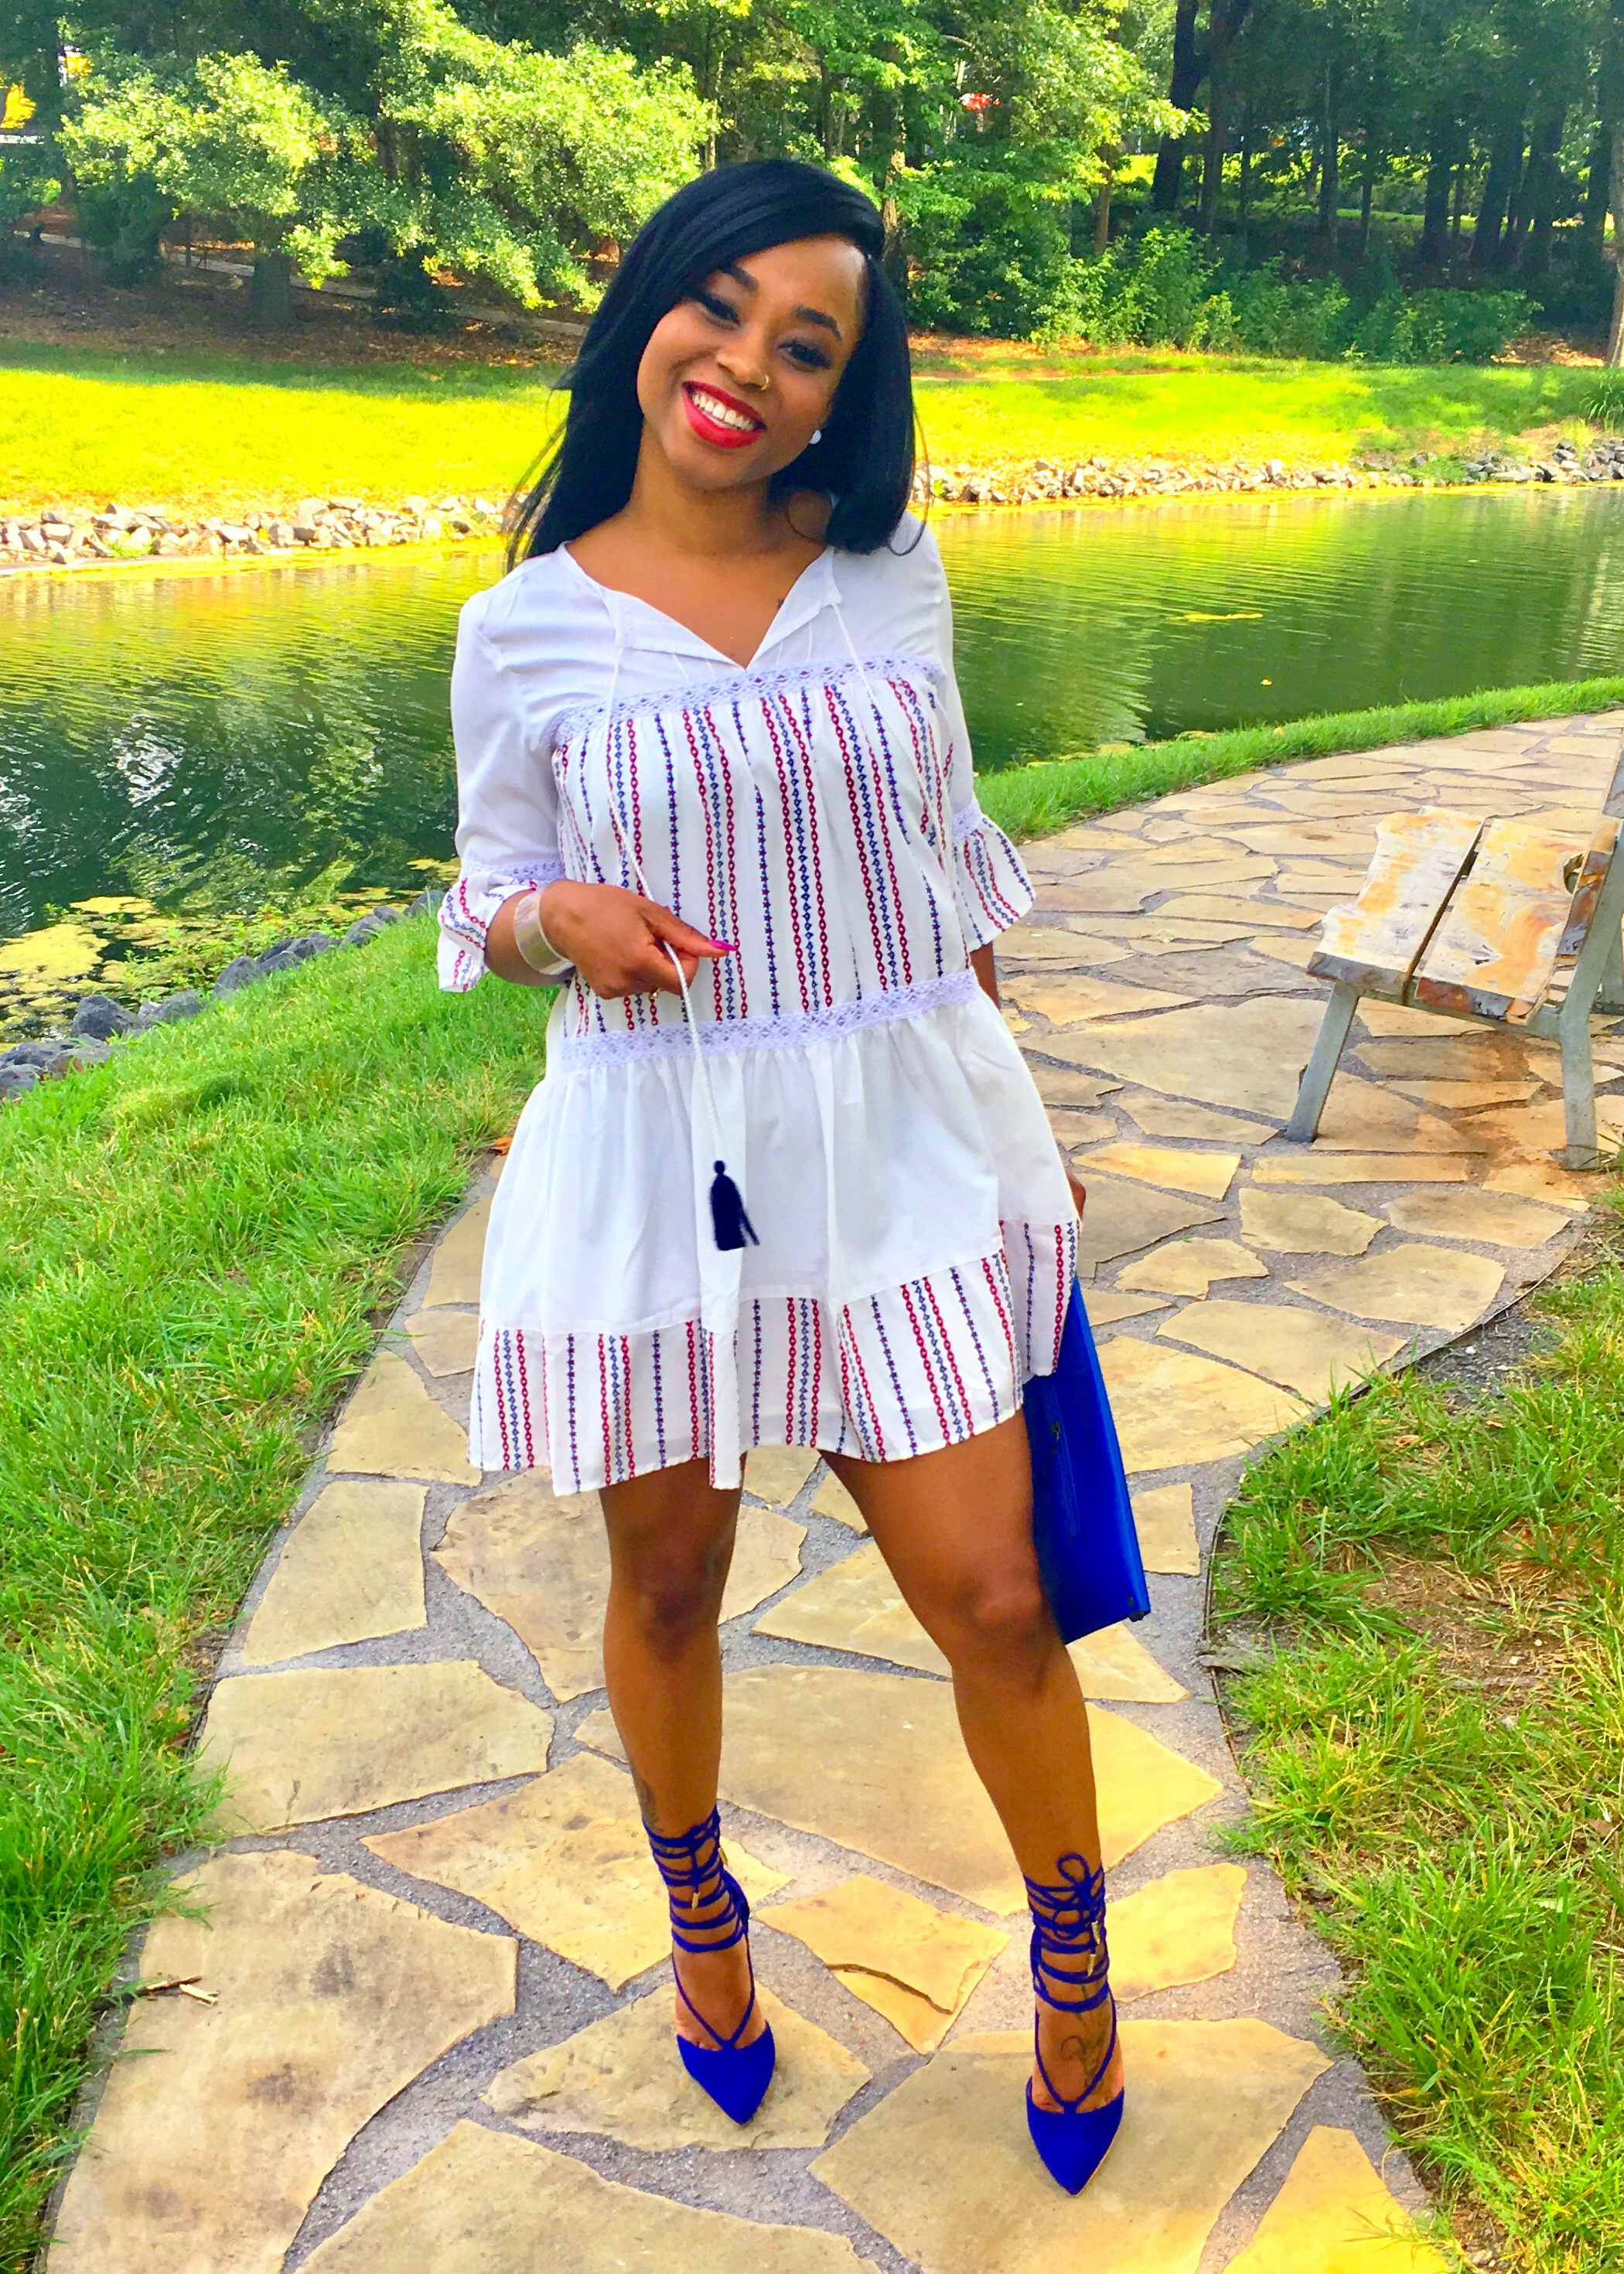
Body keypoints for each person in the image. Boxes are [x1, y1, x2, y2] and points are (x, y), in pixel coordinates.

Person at [438, 157, 1123, 2194]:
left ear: (843, 391)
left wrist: (1010, 1144)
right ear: (647, 310)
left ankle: (1072, 1953)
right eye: (719, 305)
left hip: (904, 1142)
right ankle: (701, 1915)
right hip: (663, 1154)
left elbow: (950, 857)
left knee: (996, 1595)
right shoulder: (522, 627)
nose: (746, 363)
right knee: (668, 1581)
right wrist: (557, 916)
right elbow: (484, 895)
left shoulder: (890, 571)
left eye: (806, 343)